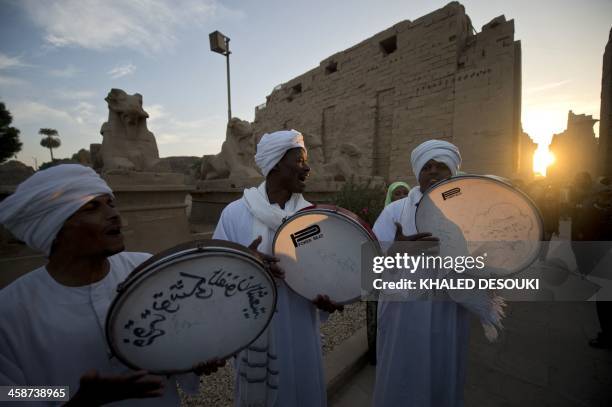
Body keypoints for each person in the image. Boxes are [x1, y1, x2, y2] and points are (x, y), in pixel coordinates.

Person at [0, 164, 222, 406]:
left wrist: (195, 358)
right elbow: (9, 393)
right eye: (92, 207)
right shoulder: (10, 311)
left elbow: (178, 337)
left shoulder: (145, 269)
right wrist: (77, 400)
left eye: (111, 203)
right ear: (54, 227)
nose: (114, 215)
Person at [213, 129, 343, 407]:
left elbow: (327, 269)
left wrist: (331, 295)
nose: (307, 167)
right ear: (275, 165)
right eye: (299, 160)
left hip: (301, 327)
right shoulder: (235, 214)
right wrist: (250, 265)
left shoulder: (312, 217)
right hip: (255, 327)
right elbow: (216, 273)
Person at [371, 140, 504, 407]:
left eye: (440, 167)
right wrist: (395, 252)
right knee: (401, 372)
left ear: (452, 172)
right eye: (427, 167)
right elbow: (368, 266)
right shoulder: (395, 211)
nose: (433, 172)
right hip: (402, 314)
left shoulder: (470, 215)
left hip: (448, 312)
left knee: (441, 373)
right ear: (418, 172)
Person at [367, 181, 411, 364]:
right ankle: (377, 354)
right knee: (378, 315)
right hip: (382, 273)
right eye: (397, 194)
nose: (401, 197)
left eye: (404, 194)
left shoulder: (416, 218)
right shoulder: (385, 218)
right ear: (390, 197)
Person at [571, 181, 612, 349]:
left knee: (605, 302)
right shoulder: (594, 209)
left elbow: (583, 239)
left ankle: (607, 336)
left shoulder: (593, 209)